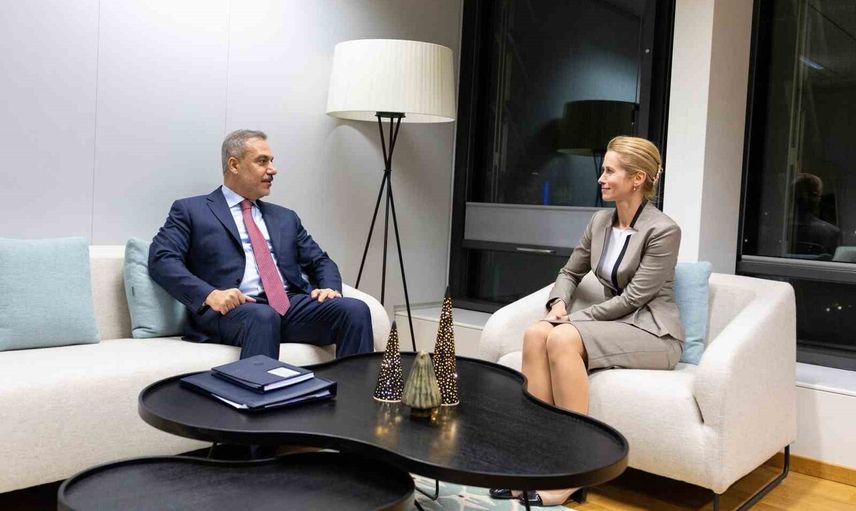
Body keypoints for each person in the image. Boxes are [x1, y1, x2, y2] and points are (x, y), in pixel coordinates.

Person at [490, 136, 684, 507]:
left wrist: (570, 323)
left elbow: (634, 299)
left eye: (610, 171)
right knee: (536, 333)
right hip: (615, 324)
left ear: (637, 179)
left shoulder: (663, 230)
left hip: (653, 332)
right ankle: (532, 462)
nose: (601, 178)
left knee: (562, 338)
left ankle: (574, 473)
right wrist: (558, 304)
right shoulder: (599, 222)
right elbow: (570, 271)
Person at [148, 129, 374, 360]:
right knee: (263, 316)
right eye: (262, 161)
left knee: (354, 310)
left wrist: (329, 288)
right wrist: (210, 294)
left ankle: (352, 384)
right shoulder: (192, 210)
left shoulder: (285, 218)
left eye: (272, 161)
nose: (272, 169)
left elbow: (320, 261)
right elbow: (162, 259)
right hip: (230, 311)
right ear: (234, 165)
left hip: (288, 306)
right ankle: (255, 385)